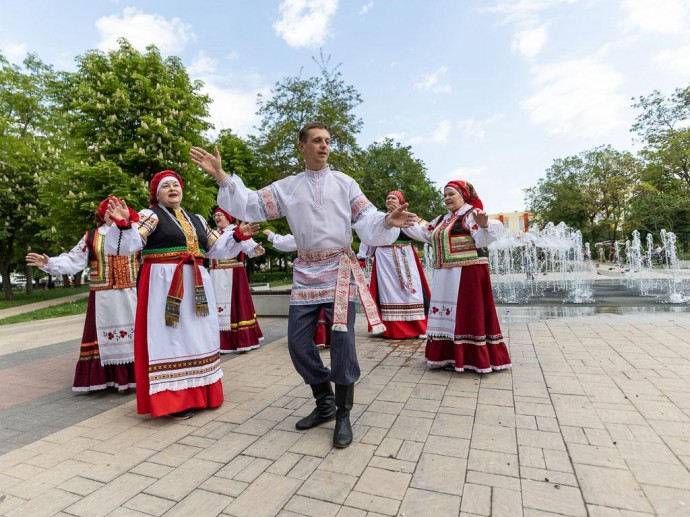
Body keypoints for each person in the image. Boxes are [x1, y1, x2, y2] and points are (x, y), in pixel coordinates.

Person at [191, 122, 417, 447]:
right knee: (297, 344)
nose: (324, 146)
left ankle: (343, 413)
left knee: (342, 344)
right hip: (305, 271)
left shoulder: (345, 183)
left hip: (339, 270)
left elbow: (366, 220)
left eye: (327, 141)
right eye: (316, 141)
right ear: (302, 146)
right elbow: (251, 204)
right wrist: (222, 177)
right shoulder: (287, 187)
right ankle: (324, 399)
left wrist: (385, 221)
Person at [104, 171, 258, 420]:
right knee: (171, 337)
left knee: (198, 334)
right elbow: (126, 245)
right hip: (164, 286)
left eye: (176, 184)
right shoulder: (150, 216)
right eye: (166, 186)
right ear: (157, 194)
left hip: (197, 282)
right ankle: (174, 401)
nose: (172, 188)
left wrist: (239, 235)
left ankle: (203, 393)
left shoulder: (196, 219)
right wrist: (123, 224)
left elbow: (216, 249)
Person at [25, 198, 138, 393]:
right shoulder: (93, 236)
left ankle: (134, 378)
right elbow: (73, 260)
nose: (114, 211)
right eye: (109, 208)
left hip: (132, 294)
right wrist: (49, 262)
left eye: (119, 207)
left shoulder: (135, 232)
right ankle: (108, 379)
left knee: (135, 335)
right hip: (104, 299)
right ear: (102, 215)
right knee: (105, 337)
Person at [404, 180, 512, 373]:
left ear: (463, 195)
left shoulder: (472, 214)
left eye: (450, 194)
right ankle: (448, 355)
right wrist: (404, 220)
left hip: (468, 272)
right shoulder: (442, 219)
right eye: (444, 195)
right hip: (445, 274)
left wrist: (485, 224)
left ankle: (471, 357)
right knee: (447, 313)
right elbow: (424, 232)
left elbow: (486, 236)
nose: (446, 198)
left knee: (466, 313)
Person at [362, 190, 431, 339]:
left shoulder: (409, 217)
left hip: (405, 255)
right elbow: (367, 236)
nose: (390, 200)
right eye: (387, 198)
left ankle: (419, 326)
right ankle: (390, 327)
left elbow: (428, 232)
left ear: (401, 202)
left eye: (393, 198)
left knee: (413, 290)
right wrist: (363, 256)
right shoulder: (379, 218)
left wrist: (418, 219)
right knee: (388, 292)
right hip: (384, 258)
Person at [210, 207, 265, 353]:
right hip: (215, 274)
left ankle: (240, 341)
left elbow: (248, 245)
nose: (216, 217)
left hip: (233, 273)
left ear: (228, 216)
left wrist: (256, 249)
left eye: (220, 215)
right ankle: (218, 342)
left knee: (236, 305)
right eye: (215, 215)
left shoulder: (235, 231)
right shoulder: (214, 233)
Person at [264, 229, 331, 349]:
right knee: (323, 306)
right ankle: (325, 338)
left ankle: (315, 339)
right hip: (328, 273)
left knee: (314, 305)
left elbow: (292, 241)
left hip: (312, 274)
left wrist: (273, 236)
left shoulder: (310, 231)